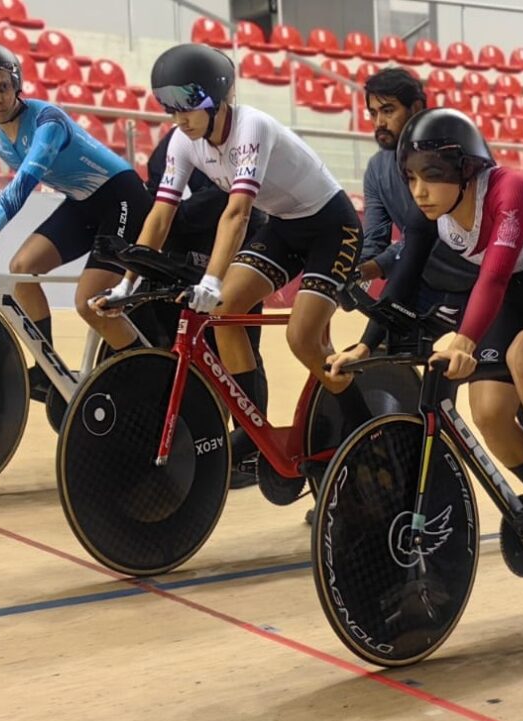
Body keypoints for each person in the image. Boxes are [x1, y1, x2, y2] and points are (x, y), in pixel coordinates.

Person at [329, 108, 523, 537]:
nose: (420, 191)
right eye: (411, 177)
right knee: (489, 413)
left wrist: (464, 339)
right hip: (522, 295)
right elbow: (404, 277)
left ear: (466, 170)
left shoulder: (509, 189)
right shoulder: (429, 211)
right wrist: (367, 344)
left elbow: (494, 276)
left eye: (432, 175)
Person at [95, 43, 370, 450]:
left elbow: (238, 214)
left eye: (188, 104)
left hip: (332, 226)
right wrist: (126, 283)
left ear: (219, 99)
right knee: (225, 311)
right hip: (284, 227)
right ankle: (252, 429)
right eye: (169, 107)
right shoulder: (182, 141)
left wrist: (211, 279)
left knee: (301, 338)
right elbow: (160, 216)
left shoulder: (251, 128)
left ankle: (361, 422)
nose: (179, 118)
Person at [0, 40, 152, 401]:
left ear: (16, 85)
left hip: (122, 196)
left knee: (88, 301)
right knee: (22, 269)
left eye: (2, 87)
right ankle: (48, 371)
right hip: (83, 203)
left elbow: (25, 182)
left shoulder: (47, 120)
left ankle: (145, 379)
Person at [142, 126, 270, 489]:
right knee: (187, 344)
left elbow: (229, 201)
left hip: (237, 241)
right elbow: (156, 194)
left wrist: (174, 217)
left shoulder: (240, 140)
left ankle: (252, 449)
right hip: (185, 246)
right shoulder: (175, 141)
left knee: (240, 344)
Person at [357, 67, 435, 283]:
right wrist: (354, 270)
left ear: (416, 108)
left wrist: (370, 269)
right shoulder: (376, 168)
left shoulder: (442, 157)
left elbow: (432, 234)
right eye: (373, 113)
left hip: (462, 273)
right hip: (415, 272)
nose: (379, 122)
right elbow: (374, 239)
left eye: (388, 111)